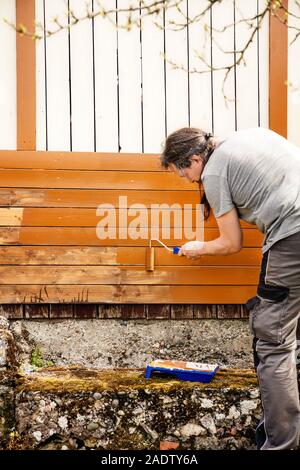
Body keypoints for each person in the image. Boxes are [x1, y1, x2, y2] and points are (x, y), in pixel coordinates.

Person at [160, 126, 300, 450]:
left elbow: (231, 243)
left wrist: (199, 247)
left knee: (273, 342)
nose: (190, 181)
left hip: (291, 237)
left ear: (195, 159)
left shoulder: (215, 170)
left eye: (185, 175)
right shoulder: (249, 136)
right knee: (293, 338)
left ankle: (281, 446)